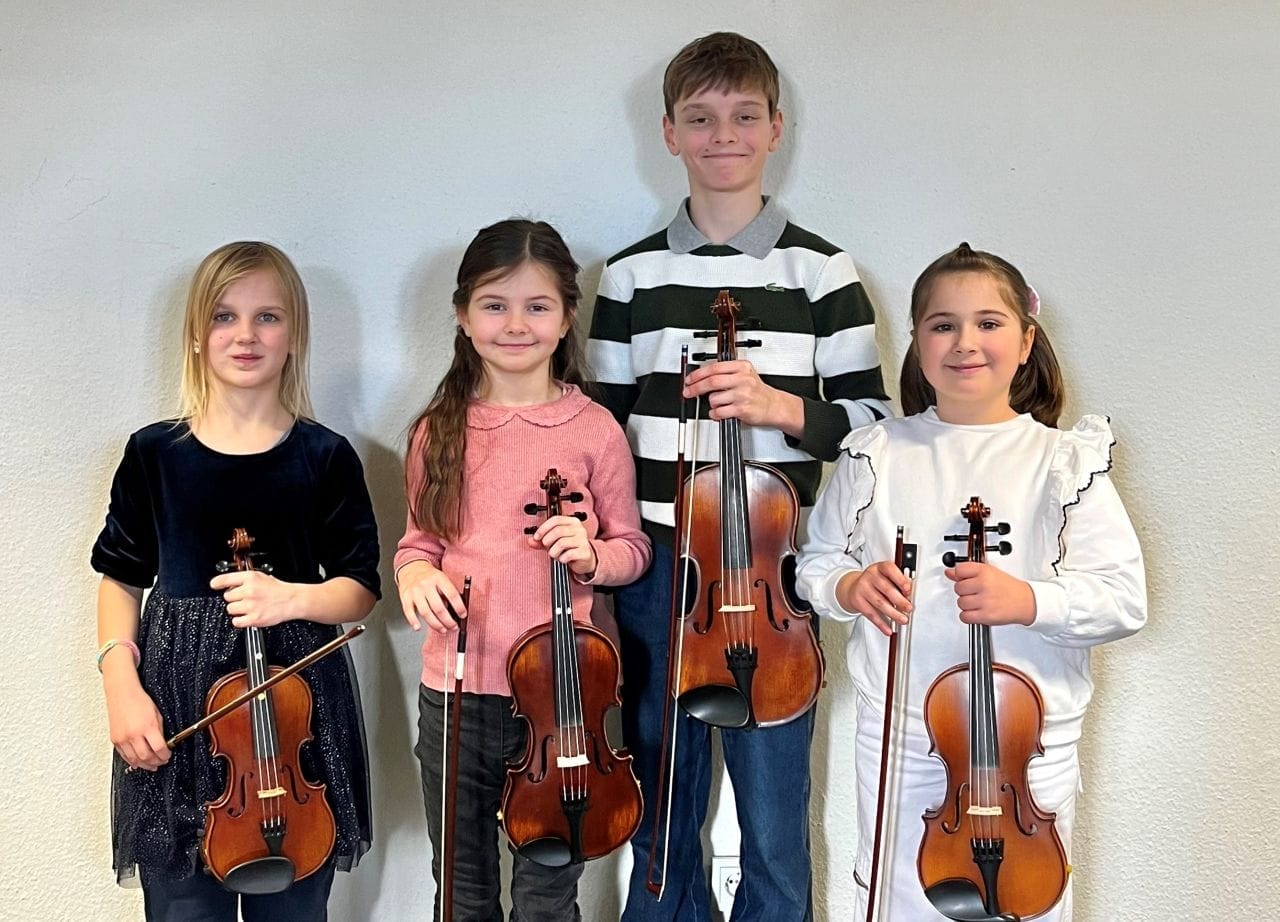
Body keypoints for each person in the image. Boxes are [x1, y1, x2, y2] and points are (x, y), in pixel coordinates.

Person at [587, 31, 891, 921]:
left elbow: (873, 428)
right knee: (662, 799)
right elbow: (599, 436)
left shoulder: (822, 273)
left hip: (770, 569)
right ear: (670, 133)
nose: (724, 135)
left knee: (773, 812)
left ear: (776, 129)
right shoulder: (629, 276)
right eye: (701, 118)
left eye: (744, 116)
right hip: (658, 567)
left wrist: (780, 406)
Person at [796, 242, 1147, 920]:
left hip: (1027, 752)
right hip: (904, 743)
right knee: (900, 900)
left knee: (1024, 901)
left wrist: (1030, 600)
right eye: (943, 325)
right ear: (918, 341)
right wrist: (848, 587)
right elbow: (816, 563)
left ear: (1026, 342)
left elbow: (1124, 599)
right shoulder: (878, 453)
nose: (965, 342)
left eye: (989, 323)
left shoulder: (1062, 461)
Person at [92, 241, 380, 921]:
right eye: (224, 316)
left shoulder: (325, 456)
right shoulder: (154, 454)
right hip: (179, 701)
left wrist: (293, 598)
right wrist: (120, 686)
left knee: (296, 906)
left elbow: (360, 588)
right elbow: (120, 579)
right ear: (197, 334)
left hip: (296, 712)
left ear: (294, 336)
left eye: (267, 317)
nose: (245, 334)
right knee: (184, 906)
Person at [395, 218, 652, 922]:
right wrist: (415, 577)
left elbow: (633, 549)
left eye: (537, 306)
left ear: (566, 318)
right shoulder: (438, 429)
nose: (516, 324)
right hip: (457, 692)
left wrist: (593, 555)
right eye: (494, 305)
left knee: (547, 893)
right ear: (463, 316)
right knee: (463, 889)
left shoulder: (594, 428)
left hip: (565, 697)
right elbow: (418, 543)